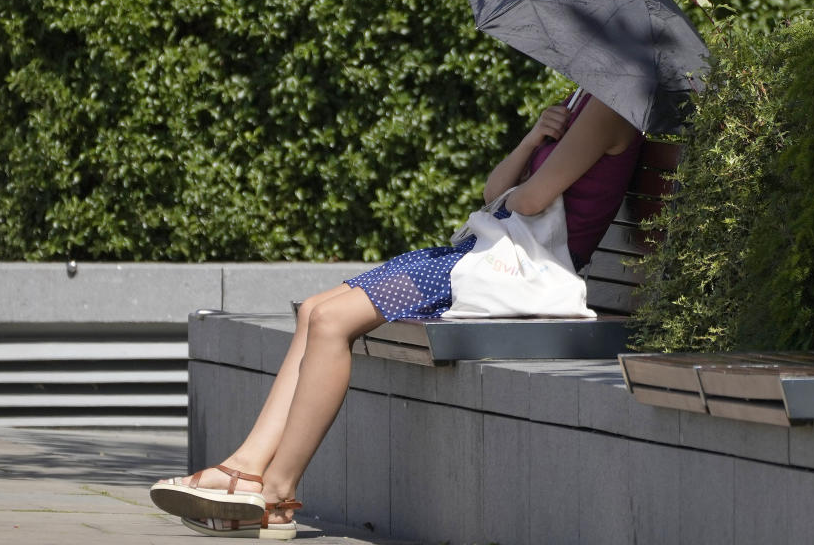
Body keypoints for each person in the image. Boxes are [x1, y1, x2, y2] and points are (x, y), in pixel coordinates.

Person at [150, 90, 644, 539]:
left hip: (508, 271)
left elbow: (532, 199)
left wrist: (529, 178)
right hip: (479, 258)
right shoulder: (581, 100)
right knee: (315, 311)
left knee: (330, 323)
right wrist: (535, 135)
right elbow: (495, 190)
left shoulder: (610, 108)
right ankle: (245, 466)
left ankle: (278, 493)